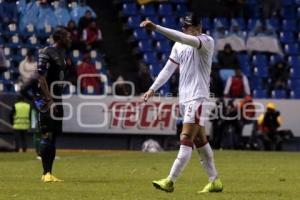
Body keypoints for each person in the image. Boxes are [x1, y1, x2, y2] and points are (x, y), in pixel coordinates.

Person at [140, 13, 223, 193]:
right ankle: (215, 181)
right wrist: (152, 88)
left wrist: (156, 28)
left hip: (197, 97)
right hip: (184, 98)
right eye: (186, 27)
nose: (189, 30)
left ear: (199, 28)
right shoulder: (179, 45)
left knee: (185, 137)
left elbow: (182, 38)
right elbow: (168, 69)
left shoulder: (206, 41)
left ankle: (170, 181)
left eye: (193, 27)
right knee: (200, 140)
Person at [21, 27, 71, 182]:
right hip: (47, 99)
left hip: (57, 97)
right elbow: (40, 77)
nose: (70, 39)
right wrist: (48, 100)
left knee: (54, 136)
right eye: (67, 36)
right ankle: (45, 174)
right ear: (59, 38)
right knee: (47, 134)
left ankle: (49, 173)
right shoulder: (46, 52)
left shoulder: (62, 54)